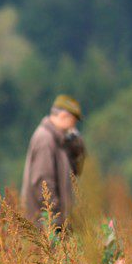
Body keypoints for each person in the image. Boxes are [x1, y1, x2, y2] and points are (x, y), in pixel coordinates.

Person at [20, 94, 86, 229]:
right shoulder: (45, 139)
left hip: (53, 224)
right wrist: (56, 219)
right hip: (45, 226)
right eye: (73, 121)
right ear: (63, 116)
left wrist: (75, 141)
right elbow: (43, 182)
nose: (73, 126)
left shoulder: (59, 142)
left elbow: (76, 170)